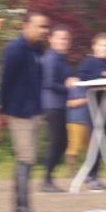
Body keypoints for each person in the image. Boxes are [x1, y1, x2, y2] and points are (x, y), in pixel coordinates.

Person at [0, 10, 51, 212]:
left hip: (35, 110)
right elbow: (5, 81)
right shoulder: (15, 49)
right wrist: (1, 110)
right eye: (40, 26)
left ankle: (20, 208)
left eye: (46, 27)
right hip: (19, 112)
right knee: (26, 158)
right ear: (26, 26)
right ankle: (22, 209)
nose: (44, 31)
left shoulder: (37, 50)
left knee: (27, 159)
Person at [72, 33, 106, 191]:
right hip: (93, 107)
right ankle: (90, 175)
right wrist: (101, 75)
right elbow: (82, 78)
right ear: (94, 46)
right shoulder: (89, 62)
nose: (105, 49)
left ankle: (95, 174)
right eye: (102, 45)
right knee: (95, 140)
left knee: (104, 141)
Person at [39, 25, 73, 193]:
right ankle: (46, 179)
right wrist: (67, 86)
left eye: (66, 38)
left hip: (58, 104)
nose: (63, 41)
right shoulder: (52, 58)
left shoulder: (61, 58)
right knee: (57, 142)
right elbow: (48, 83)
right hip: (51, 104)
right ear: (51, 39)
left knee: (62, 142)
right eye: (60, 38)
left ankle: (48, 177)